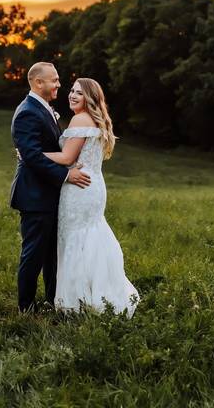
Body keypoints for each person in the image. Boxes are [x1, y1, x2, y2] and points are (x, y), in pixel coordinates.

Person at [43, 77, 139, 316]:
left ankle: (77, 302)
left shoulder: (80, 119)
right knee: (90, 237)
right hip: (93, 184)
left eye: (79, 93)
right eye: (72, 91)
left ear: (90, 98)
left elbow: (66, 158)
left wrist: (32, 153)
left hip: (79, 186)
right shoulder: (96, 120)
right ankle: (97, 294)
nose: (72, 95)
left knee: (76, 240)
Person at [10, 62, 90, 312]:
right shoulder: (27, 112)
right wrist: (67, 175)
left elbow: (49, 150)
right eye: (54, 80)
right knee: (33, 254)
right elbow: (31, 156)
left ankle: (54, 300)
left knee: (51, 255)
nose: (58, 84)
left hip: (49, 195)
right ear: (38, 83)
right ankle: (26, 307)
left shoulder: (43, 109)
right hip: (35, 195)